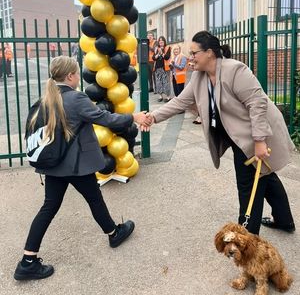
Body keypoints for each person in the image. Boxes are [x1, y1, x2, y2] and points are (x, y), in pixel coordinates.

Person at [144, 31, 295, 235]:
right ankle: (284, 221)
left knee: (247, 185)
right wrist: (153, 117)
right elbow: (181, 101)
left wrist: (259, 140)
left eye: (194, 52)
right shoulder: (200, 76)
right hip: (238, 136)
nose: (191, 57)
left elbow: (257, 103)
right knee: (266, 175)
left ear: (209, 53)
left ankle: (245, 240)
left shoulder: (235, 70)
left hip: (256, 133)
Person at [14, 56, 151, 281]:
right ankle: (114, 234)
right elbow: (106, 118)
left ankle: (28, 260)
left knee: (49, 208)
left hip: (54, 165)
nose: (79, 76)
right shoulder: (75, 98)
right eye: (77, 73)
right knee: (94, 200)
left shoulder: (48, 97)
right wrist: (134, 117)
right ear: (70, 76)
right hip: (76, 165)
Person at [152, 36, 172, 103]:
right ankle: (160, 96)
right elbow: (153, 58)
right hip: (157, 68)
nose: (161, 42)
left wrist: (162, 53)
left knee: (166, 82)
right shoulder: (156, 48)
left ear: (164, 42)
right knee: (158, 82)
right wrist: (157, 54)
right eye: (160, 41)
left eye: (162, 41)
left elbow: (167, 57)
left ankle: (167, 96)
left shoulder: (167, 48)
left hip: (165, 68)